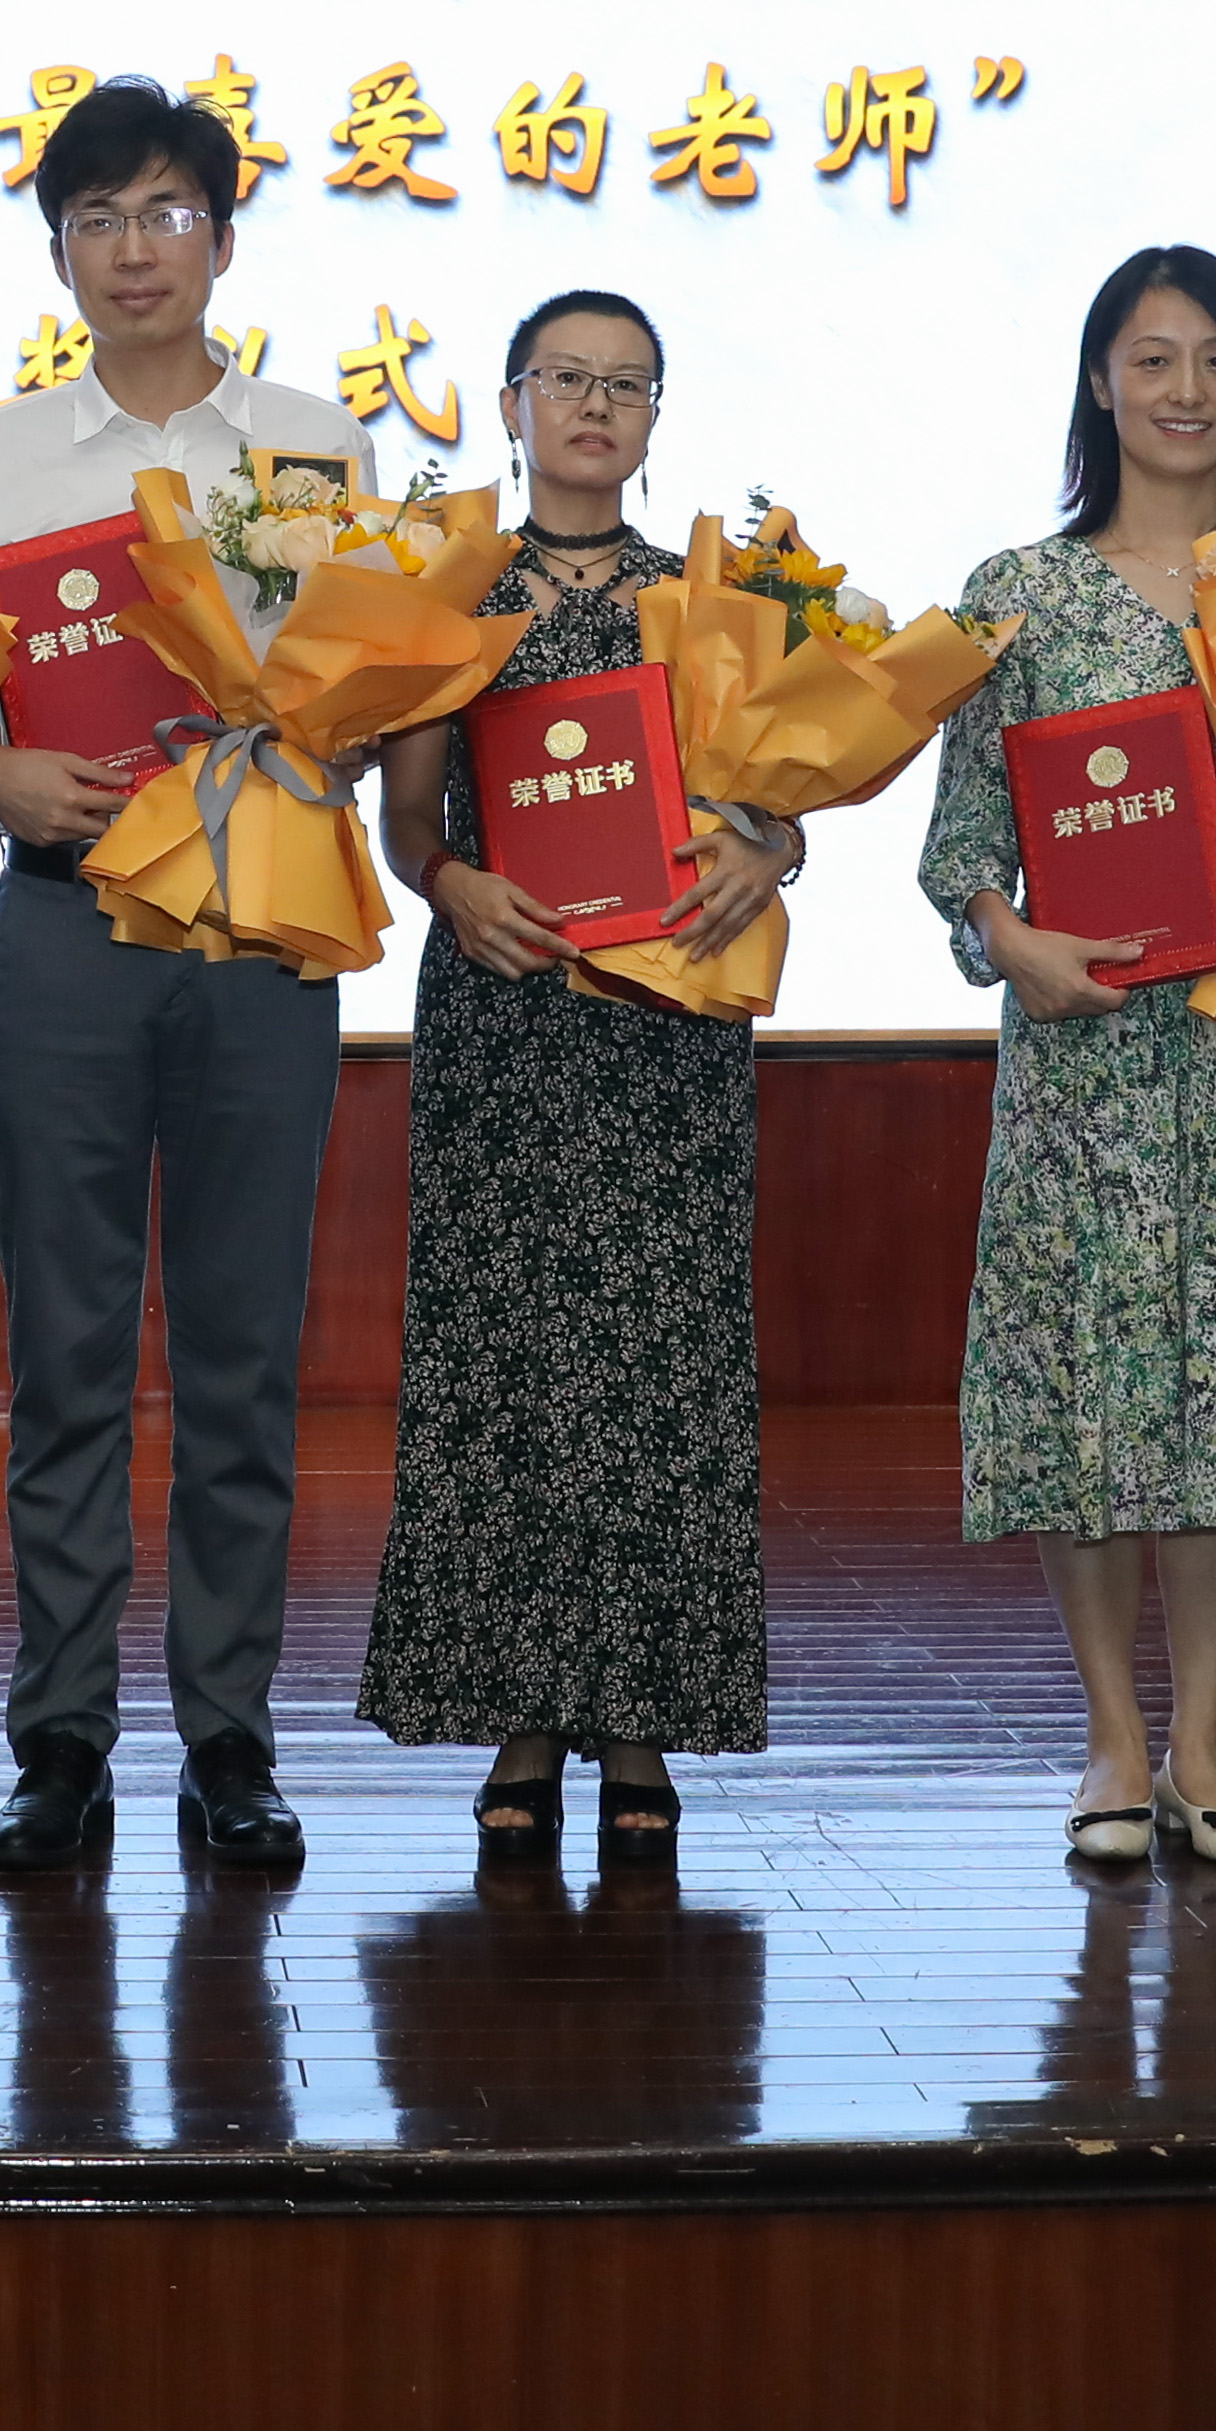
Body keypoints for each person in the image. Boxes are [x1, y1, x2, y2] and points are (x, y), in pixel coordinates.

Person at [0, 78, 371, 1876]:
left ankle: (231, 1736)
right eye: (97, 219)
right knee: (68, 1352)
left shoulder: (314, 448)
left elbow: (360, 679)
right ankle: (60, 1742)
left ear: (224, 242)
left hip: (259, 925)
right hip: (68, 927)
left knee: (247, 1353)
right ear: (58, 256)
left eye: (167, 213)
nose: (133, 250)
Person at [919, 249, 1216, 1875]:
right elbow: (961, 850)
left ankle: (1203, 1743)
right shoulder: (1016, 594)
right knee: (1087, 1391)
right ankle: (1112, 1739)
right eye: (1153, 356)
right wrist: (1013, 943)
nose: (1187, 389)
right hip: (1088, 1062)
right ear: (1100, 382)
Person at [361, 292, 801, 1866]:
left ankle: (640, 1719)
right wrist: (449, 886)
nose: (596, 405)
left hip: (667, 1020)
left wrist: (769, 849)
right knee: (502, 1356)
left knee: (663, 1361)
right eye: (567, 378)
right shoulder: (449, 591)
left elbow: (777, 799)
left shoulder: (714, 600)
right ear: (511, 403)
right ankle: (521, 1716)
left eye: (628, 383)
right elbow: (410, 818)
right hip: (507, 1003)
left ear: (656, 414)